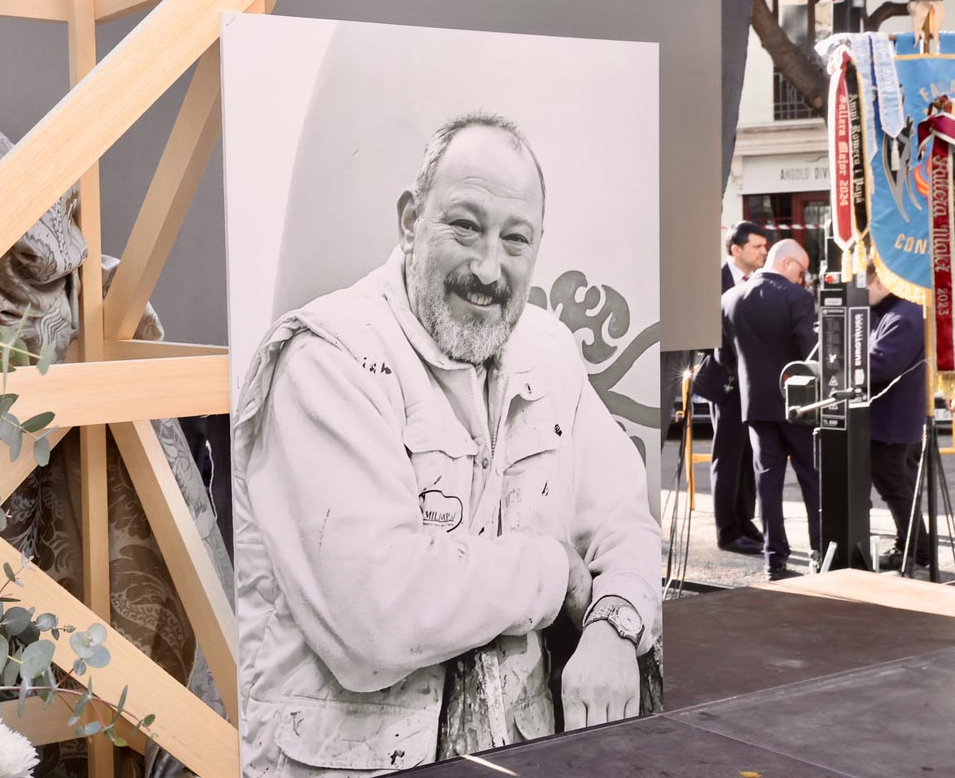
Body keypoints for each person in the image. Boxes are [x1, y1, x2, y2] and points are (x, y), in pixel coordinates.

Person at [232, 112, 661, 776]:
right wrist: (554, 572)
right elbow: (378, 620)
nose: (489, 268)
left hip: (523, 755)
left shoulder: (548, 350)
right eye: (465, 226)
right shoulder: (328, 359)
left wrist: (613, 624)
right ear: (409, 220)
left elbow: (624, 520)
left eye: (516, 240)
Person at [719, 239, 821, 580]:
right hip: (800, 405)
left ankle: (774, 561)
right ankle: (820, 555)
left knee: (768, 485)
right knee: (812, 479)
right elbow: (810, 353)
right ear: (788, 263)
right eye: (802, 271)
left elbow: (723, 358)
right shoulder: (798, 299)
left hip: (756, 405)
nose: (802, 278)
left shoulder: (730, 299)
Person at [694, 222, 768, 554]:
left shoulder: (762, 283)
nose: (764, 251)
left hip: (753, 382)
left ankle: (744, 520)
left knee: (748, 455)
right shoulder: (714, 281)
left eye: (766, 246)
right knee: (727, 456)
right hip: (725, 382)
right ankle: (727, 530)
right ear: (736, 249)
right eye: (757, 246)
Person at [865, 260, 930, 572]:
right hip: (895, 418)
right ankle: (912, 546)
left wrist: (846, 364)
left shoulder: (904, 315)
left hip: (892, 421)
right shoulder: (897, 311)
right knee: (900, 486)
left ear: (880, 281)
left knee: (896, 487)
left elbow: (883, 365)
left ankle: (916, 550)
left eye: (864, 288)